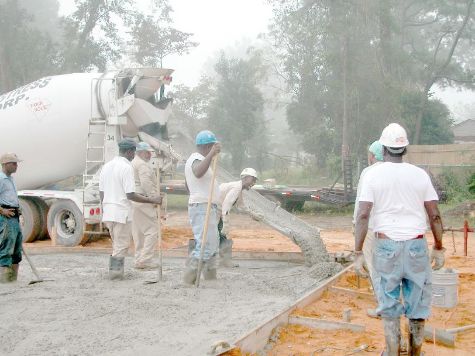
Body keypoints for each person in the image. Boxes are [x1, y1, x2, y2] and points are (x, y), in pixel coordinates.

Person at [354, 123, 445, 356]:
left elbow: (363, 214)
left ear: (383, 148)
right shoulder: (419, 174)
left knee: (389, 304)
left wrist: (357, 252)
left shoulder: (372, 174)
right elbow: (434, 214)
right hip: (416, 246)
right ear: (404, 149)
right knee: (418, 305)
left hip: (385, 247)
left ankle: (393, 352)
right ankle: (415, 353)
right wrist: (438, 246)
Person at [99, 139, 162, 280]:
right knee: (121, 246)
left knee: (117, 244)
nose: (134, 155)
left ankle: (115, 273)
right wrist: (152, 199)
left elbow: (102, 192)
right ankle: (115, 275)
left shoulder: (107, 166)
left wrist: (105, 206)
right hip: (121, 212)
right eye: (133, 152)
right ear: (129, 152)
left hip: (109, 212)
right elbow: (130, 194)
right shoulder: (126, 167)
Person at [183, 130, 221, 284]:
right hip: (201, 206)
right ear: (207, 147)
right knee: (206, 243)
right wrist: (212, 154)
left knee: (212, 242)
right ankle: (189, 278)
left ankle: (210, 276)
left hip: (204, 205)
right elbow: (198, 172)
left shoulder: (198, 159)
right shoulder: (196, 159)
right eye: (212, 146)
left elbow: (188, 184)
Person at [353, 141, 383, 317]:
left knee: (374, 267)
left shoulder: (368, 172)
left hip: (370, 226)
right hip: (391, 228)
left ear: (372, 156)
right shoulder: (394, 171)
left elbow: (361, 204)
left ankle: (383, 306)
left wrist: (355, 224)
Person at [217, 168, 258, 267]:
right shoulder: (236, 187)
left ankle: (224, 261)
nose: (254, 183)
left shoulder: (238, 189)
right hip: (213, 211)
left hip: (217, 212)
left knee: (221, 236)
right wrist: (226, 223)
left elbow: (241, 205)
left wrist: (252, 214)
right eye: (253, 180)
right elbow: (226, 206)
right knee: (217, 235)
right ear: (246, 178)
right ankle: (217, 261)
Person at [131, 142, 161, 270]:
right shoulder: (142, 165)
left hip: (134, 200)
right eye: (148, 152)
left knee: (138, 232)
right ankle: (145, 260)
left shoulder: (133, 163)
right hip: (143, 200)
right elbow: (146, 184)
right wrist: (154, 198)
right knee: (152, 230)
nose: (150, 155)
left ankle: (139, 258)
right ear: (141, 152)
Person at [0, 153, 23, 283]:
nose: (16, 166)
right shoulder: (1, 179)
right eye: (14, 163)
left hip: (14, 216)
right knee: (6, 251)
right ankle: (4, 282)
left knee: (16, 251)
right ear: (5, 164)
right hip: (6, 218)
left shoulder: (11, 179)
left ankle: (13, 281)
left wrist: (17, 207)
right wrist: (2, 210)